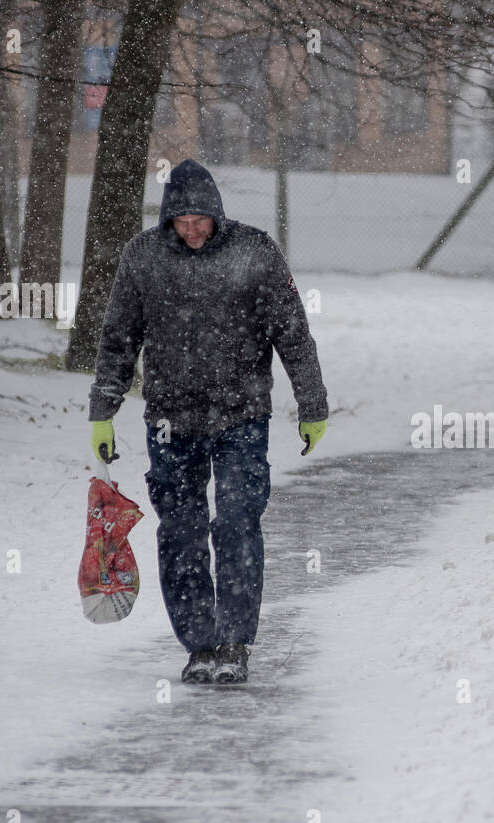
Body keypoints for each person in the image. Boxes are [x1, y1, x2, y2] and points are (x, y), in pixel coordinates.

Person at [87, 159, 328, 685]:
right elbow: (119, 338)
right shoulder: (143, 257)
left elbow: (293, 332)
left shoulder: (255, 252)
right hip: (171, 420)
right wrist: (102, 412)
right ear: (168, 219)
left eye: (200, 220)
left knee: (237, 521)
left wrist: (312, 405)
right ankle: (199, 642)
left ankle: (235, 641)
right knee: (181, 531)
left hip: (242, 414)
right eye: (181, 222)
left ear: (217, 215)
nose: (192, 230)